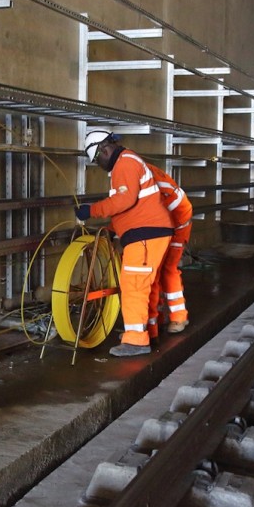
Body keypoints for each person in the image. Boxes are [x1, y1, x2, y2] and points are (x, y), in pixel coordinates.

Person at [75, 129, 173, 356]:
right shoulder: (128, 161)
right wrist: (112, 229)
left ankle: (137, 341)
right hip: (148, 232)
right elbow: (132, 207)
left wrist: (92, 210)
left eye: (97, 160)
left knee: (134, 285)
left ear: (104, 150)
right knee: (143, 285)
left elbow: (124, 200)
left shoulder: (125, 164)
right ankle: (145, 331)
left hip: (146, 235)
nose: (99, 165)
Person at [145, 162, 193, 334]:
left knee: (167, 269)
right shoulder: (141, 171)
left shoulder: (148, 177)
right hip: (166, 223)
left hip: (177, 223)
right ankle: (156, 318)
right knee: (155, 271)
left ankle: (179, 317)